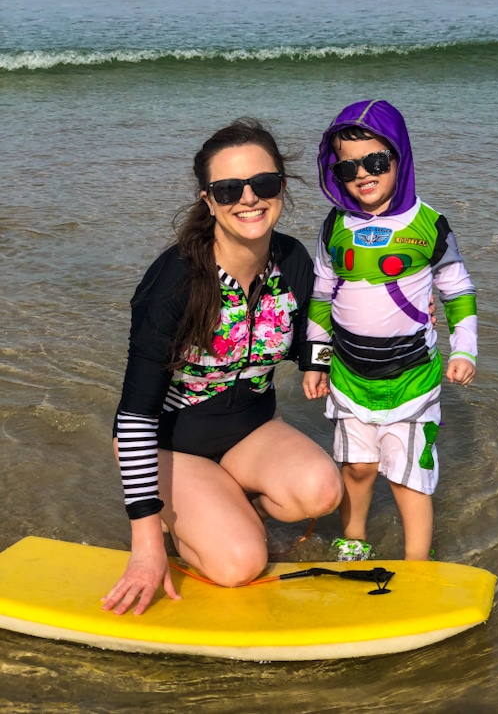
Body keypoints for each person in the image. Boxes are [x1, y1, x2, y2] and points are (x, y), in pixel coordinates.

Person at [103, 119, 343, 615]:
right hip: (171, 444)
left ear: (281, 187)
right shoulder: (175, 282)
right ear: (208, 200)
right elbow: (134, 415)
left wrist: (398, 324)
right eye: (229, 188)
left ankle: (225, 502)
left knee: (322, 492)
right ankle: (179, 521)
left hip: (249, 430)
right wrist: (146, 549)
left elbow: (314, 343)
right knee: (238, 564)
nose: (249, 198)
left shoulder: (293, 261)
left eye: (265, 183)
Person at [301, 100, 477, 562]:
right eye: (347, 168)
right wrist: (317, 361)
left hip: (412, 377)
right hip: (349, 374)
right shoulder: (335, 225)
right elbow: (321, 297)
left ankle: (418, 562)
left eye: (376, 161)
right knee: (357, 468)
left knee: (406, 475)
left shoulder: (430, 225)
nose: (362, 174)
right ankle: (353, 540)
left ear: (400, 157)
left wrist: (465, 351)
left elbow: (457, 291)